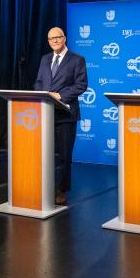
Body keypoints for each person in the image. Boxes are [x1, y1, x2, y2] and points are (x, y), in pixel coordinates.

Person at [34, 27, 88, 206]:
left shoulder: (77, 59)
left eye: (58, 37)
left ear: (64, 38)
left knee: (64, 155)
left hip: (65, 114)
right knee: (45, 154)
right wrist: (42, 94)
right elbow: (39, 82)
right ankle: (47, 187)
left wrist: (60, 95)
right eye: (51, 38)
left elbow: (81, 85)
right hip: (47, 113)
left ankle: (61, 190)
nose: (55, 41)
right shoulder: (45, 59)